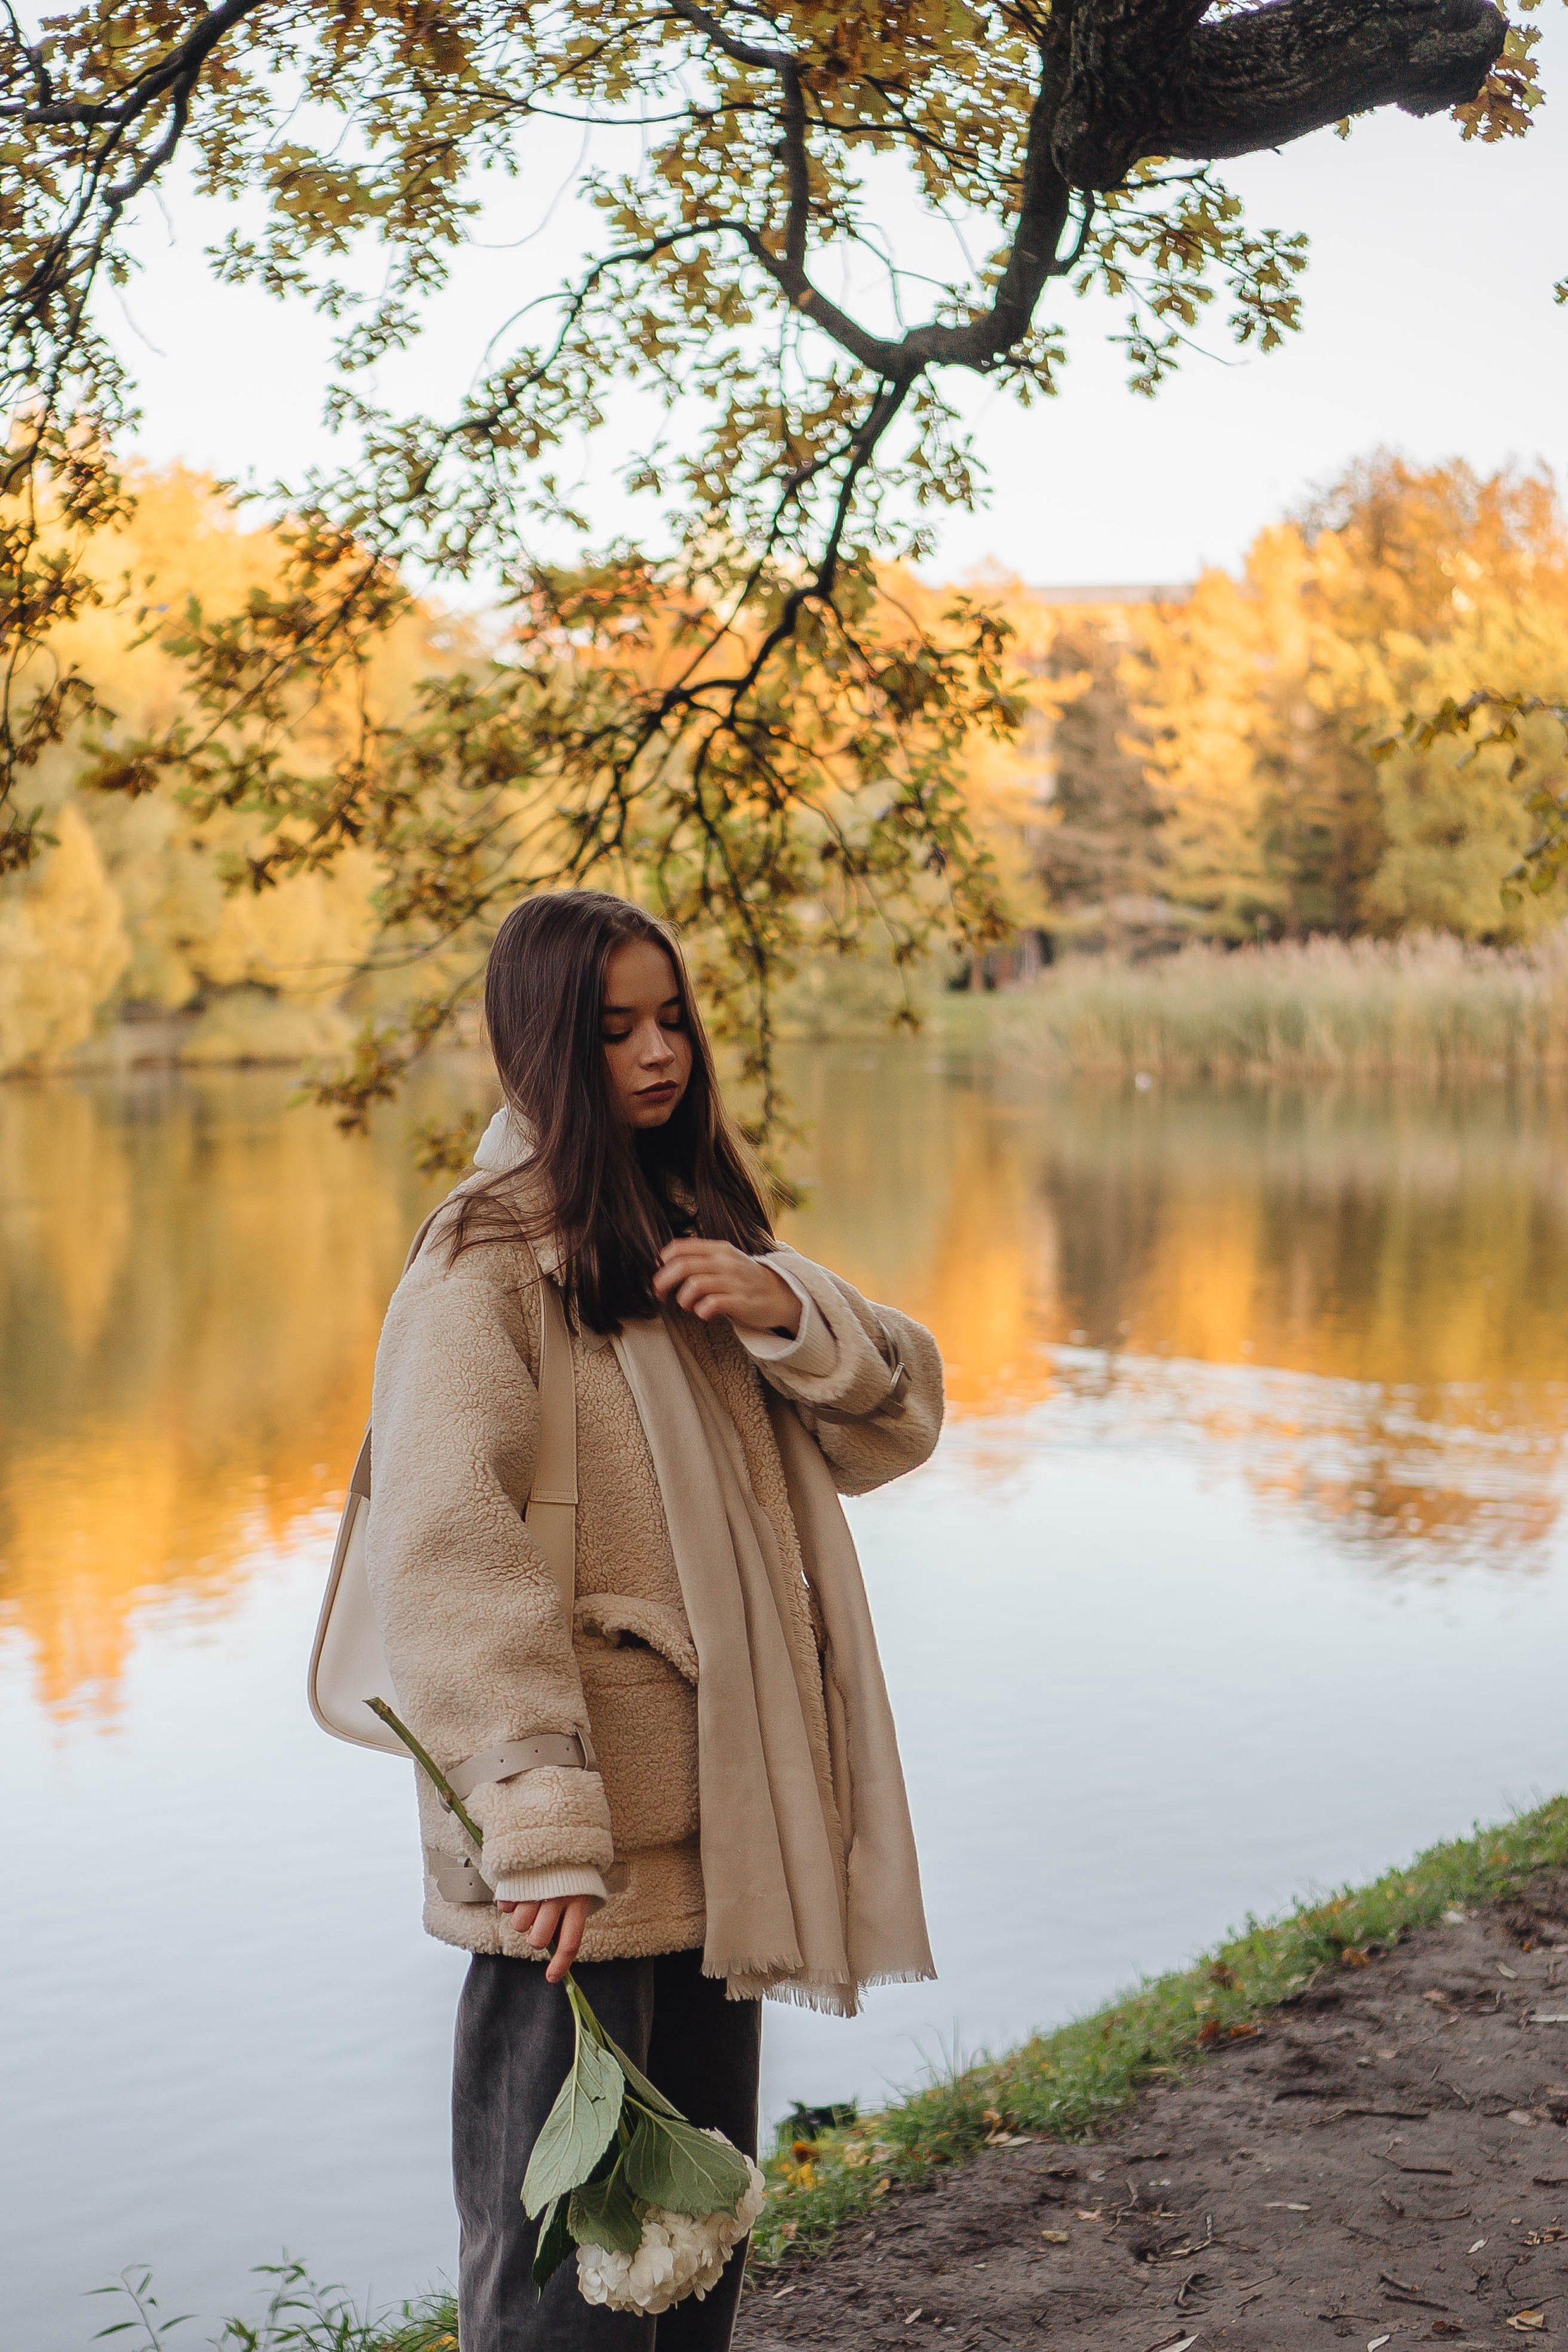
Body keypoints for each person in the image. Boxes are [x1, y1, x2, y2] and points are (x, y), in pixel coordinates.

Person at [366, 889, 940, 2352]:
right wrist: (536, 1814)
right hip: (572, 1848)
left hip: (711, 1832)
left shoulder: (694, 1238)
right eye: (613, 1028)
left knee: (691, 2249)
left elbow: (895, 1424)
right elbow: (444, 1553)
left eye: (670, 1017)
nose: (657, 1053)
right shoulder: (483, 1266)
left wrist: (781, 1304)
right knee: (559, 2272)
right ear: (541, 1047)